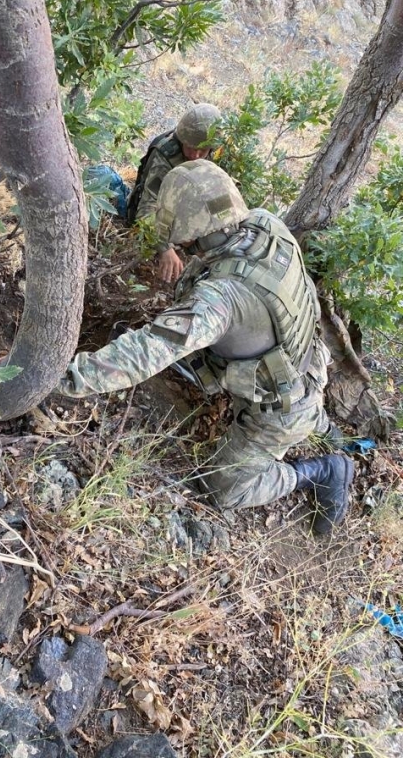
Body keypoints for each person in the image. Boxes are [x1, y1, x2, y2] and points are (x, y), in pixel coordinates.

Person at [56, 160, 354, 535]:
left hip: (279, 406)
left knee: (222, 487)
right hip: (305, 361)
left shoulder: (221, 300)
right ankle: (322, 426)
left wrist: (58, 378)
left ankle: (322, 472)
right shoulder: (265, 224)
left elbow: (145, 353)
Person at [127, 103, 222, 284]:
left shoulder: (213, 149)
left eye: (203, 149)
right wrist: (165, 248)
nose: (195, 155)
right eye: (190, 147)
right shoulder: (165, 156)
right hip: (160, 214)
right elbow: (145, 210)